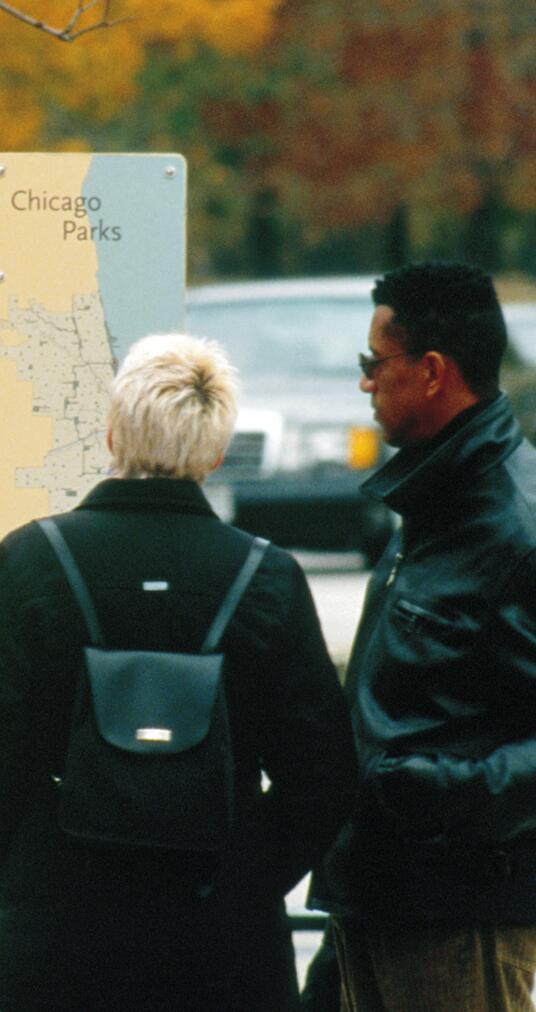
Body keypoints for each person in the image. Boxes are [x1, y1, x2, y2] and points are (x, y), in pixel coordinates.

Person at [0, 333, 357, 1011]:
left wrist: (25, 876)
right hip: (225, 951)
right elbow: (324, 772)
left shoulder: (33, 562)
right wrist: (248, 879)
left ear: (111, 433)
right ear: (217, 452)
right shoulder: (266, 578)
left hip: (56, 945)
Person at [308, 261, 536, 1011]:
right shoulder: (435, 502)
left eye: (375, 364)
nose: (366, 384)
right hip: (380, 897)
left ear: (433, 371)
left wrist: (438, 794)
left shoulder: (514, 525)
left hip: (457, 914)